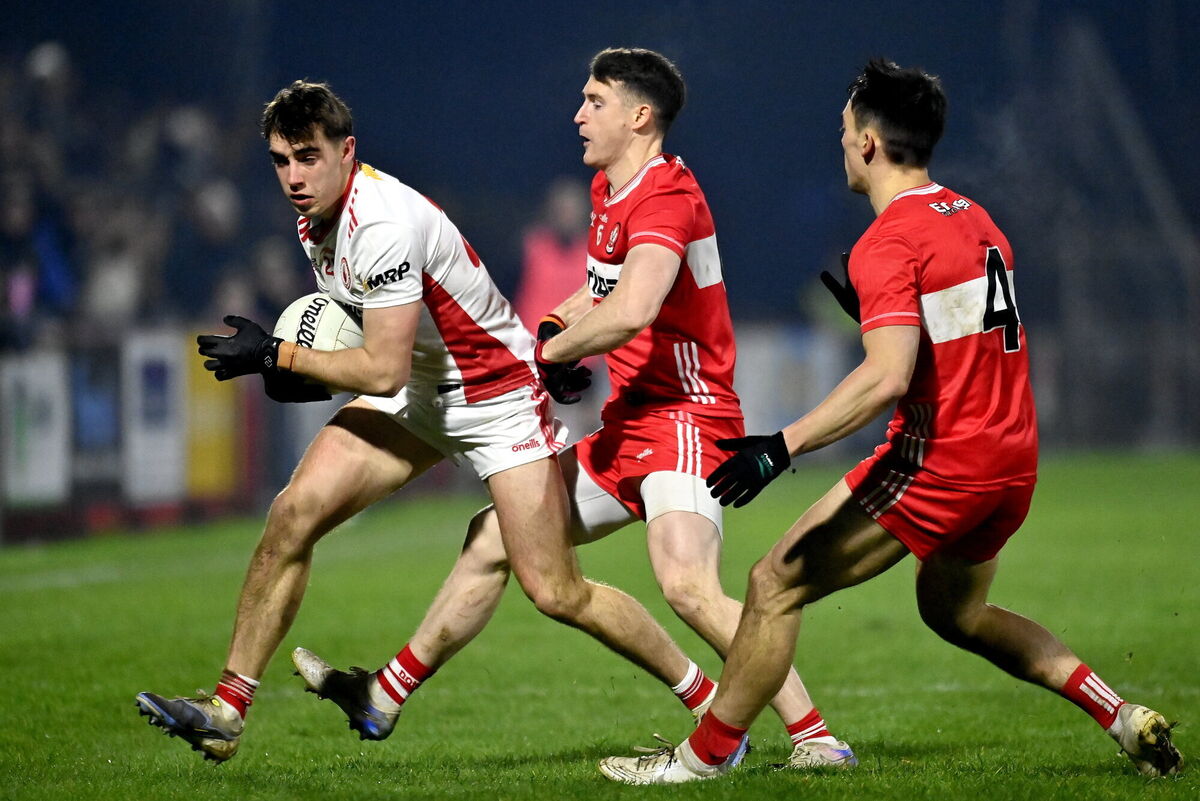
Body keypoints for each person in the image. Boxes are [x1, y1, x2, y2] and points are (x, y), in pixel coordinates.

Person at [597, 58, 1184, 784]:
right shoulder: (975, 216)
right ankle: (1120, 714)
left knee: (772, 583)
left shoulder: (888, 241)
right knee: (955, 612)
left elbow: (886, 377)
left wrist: (779, 447)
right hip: (1012, 463)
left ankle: (702, 758)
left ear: (870, 143)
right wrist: (888, 315)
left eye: (845, 131)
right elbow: (962, 333)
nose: (842, 144)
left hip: (942, 461)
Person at [293, 48, 853, 770]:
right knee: (492, 537)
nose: (578, 114)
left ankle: (815, 738)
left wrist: (550, 355)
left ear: (640, 116)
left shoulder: (666, 197)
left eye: (595, 101)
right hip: (632, 422)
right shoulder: (609, 189)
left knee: (687, 585)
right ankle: (384, 694)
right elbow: (600, 291)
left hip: (687, 417)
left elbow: (636, 305)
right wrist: (556, 330)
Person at [134, 80, 715, 762]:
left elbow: (379, 369)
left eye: (308, 157)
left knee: (556, 591)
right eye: (281, 160)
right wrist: (305, 367)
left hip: (495, 400)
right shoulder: (315, 216)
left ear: (347, 152)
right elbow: (379, 351)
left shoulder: (381, 225)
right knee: (293, 513)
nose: (294, 176)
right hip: (418, 390)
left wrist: (278, 354)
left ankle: (708, 699)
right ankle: (226, 710)